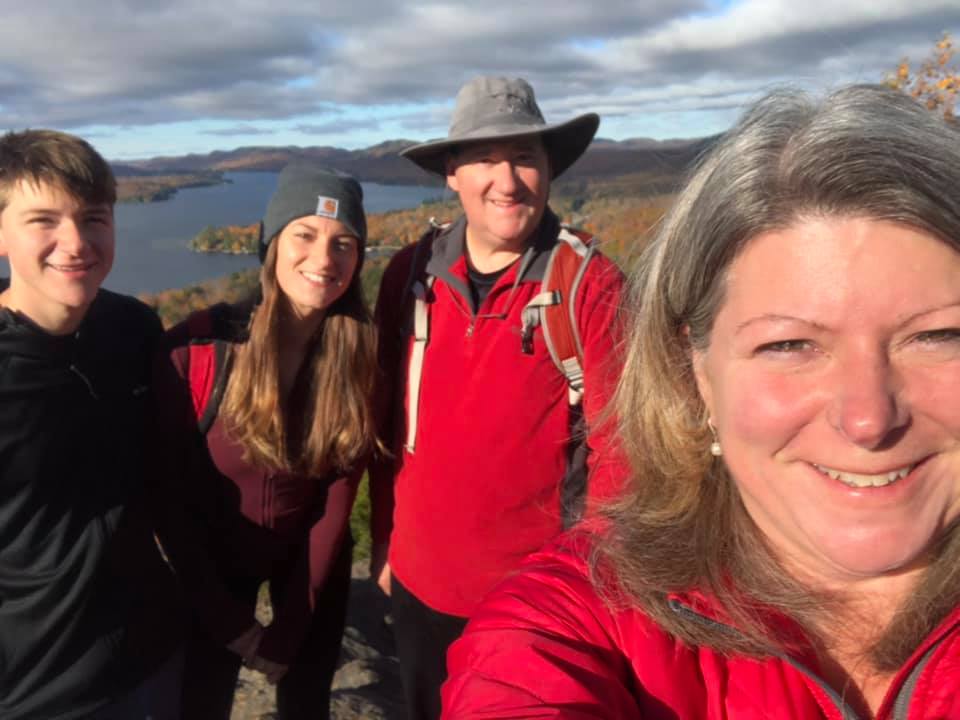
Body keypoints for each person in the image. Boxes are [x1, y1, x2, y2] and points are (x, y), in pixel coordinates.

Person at [442, 83, 960, 719]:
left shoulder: (584, 283)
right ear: (696, 374)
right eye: (790, 344)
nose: (868, 419)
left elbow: (615, 450)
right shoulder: (575, 626)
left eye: (937, 336)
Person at [369, 75, 625, 720]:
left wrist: (591, 588)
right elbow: (384, 420)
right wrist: (384, 546)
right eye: (485, 158)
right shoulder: (410, 275)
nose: (506, 180)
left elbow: (624, 453)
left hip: (535, 599)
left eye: (525, 158)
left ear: (549, 171)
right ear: (452, 173)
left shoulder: (587, 286)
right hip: (418, 582)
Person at [153, 163, 377, 720]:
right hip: (208, 569)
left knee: (306, 706)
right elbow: (165, 500)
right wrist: (231, 625)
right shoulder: (201, 349)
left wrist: (291, 627)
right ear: (271, 245)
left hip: (309, 563)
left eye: (343, 243)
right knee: (197, 705)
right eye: (304, 235)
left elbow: (336, 500)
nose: (324, 260)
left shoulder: (358, 359)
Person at [0, 130, 183, 719]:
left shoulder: (134, 329)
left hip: (152, 658)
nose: (75, 242)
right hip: (39, 689)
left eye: (93, 218)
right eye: (43, 220)